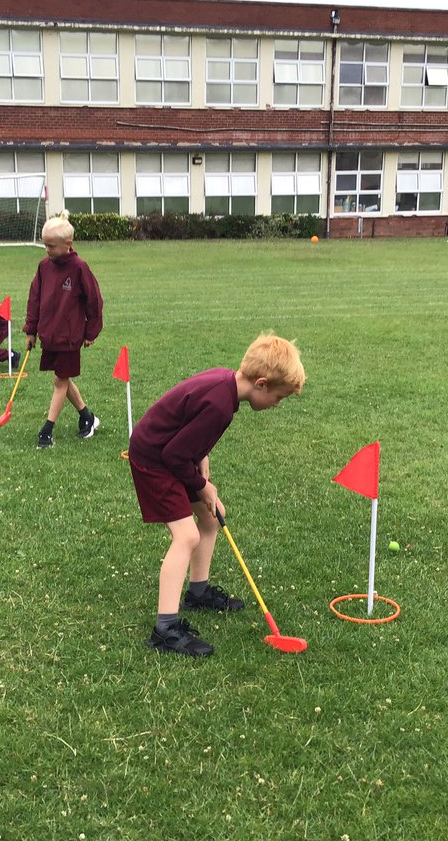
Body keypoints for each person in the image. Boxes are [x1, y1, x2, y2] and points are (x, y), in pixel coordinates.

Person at [128, 333, 306, 657]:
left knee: (211, 516)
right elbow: (174, 455)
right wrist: (201, 484)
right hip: (154, 459)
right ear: (262, 384)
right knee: (186, 537)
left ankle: (198, 593)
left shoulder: (225, 384)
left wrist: (202, 462)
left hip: (171, 455)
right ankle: (165, 630)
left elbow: (190, 432)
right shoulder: (220, 406)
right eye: (278, 398)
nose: (277, 405)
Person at [24, 212, 103, 449]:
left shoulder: (79, 268)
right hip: (49, 334)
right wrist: (31, 330)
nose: (46, 250)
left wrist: (90, 332)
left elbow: (95, 302)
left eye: (51, 246)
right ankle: (87, 417)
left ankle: (46, 431)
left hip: (69, 337)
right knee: (63, 378)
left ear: (67, 245)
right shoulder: (43, 267)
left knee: (60, 381)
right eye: (44, 245)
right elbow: (34, 298)